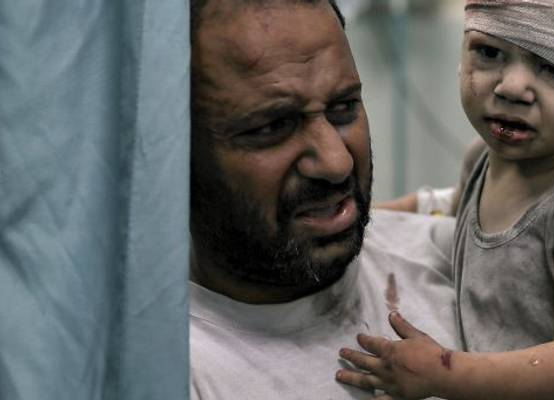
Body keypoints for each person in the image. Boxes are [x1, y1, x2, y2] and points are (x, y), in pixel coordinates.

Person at [336, 0, 554, 399]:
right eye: (488, 52)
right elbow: (449, 209)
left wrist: (445, 372)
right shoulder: (486, 161)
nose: (511, 87)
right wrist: (359, 218)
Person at [187, 0, 460, 398]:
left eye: (344, 108)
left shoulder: (456, 264)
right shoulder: (166, 370)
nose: (336, 161)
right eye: (273, 126)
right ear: (174, 151)